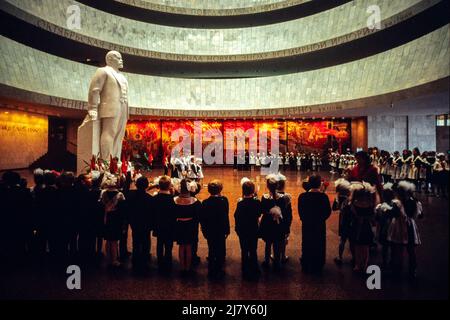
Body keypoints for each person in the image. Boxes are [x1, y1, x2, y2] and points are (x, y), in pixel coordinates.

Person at [84, 51, 129, 161]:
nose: (121, 60)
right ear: (109, 59)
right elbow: (94, 90)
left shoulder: (122, 76)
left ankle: (115, 160)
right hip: (110, 107)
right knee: (109, 132)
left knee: (119, 136)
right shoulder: (103, 71)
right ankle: (106, 162)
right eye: (118, 58)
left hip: (123, 107)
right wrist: (93, 108)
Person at [298, 175, 331, 273]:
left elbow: (301, 210)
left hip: (307, 224)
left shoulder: (303, 196)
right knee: (319, 242)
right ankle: (318, 263)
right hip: (319, 224)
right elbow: (328, 211)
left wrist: (304, 219)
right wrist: (321, 219)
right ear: (319, 184)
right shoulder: (323, 197)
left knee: (306, 242)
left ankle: (306, 262)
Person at [200, 180, 230, 279]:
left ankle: (212, 269)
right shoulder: (224, 200)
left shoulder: (205, 202)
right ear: (220, 189)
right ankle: (220, 269)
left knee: (211, 248)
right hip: (221, 230)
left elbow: (203, 219)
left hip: (210, 230)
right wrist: (227, 230)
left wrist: (204, 231)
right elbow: (226, 216)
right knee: (221, 249)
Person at [259, 175, 290, 271]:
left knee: (268, 243)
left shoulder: (264, 197)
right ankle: (277, 262)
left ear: (267, 186)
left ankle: (266, 260)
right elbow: (284, 211)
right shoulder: (282, 198)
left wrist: (269, 212)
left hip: (267, 223)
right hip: (278, 224)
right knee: (277, 243)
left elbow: (262, 210)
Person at [234, 179, 261, 280]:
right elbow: (259, 213)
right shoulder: (257, 202)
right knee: (253, 249)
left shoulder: (240, 203)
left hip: (243, 230)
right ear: (253, 191)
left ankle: (245, 269)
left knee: (244, 249)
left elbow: (236, 216)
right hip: (253, 229)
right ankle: (255, 268)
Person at [173, 179, 202, 275]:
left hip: (179, 225)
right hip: (190, 226)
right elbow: (198, 217)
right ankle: (188, 268)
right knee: (189, 247)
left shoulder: (174, 201)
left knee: (181, 246)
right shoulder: (195, 202)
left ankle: (182, 267)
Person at [126, 176, 154, 269]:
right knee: (146, 241)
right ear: (146, 186)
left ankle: (136, 258)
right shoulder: (150, 198)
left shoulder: (130, 195)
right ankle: (145, 258)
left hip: (134, 222)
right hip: (146, 224)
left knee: (136, 240)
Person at [348, 182, 376, 273]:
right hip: (367, 227)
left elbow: (351, 216)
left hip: (357, 227)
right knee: (365, 246)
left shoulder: (353, 205)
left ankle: (358, 264)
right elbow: (373, 217)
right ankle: (364, 263)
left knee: (358, 246)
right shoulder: (370, 205)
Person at [99, 174, 126, 268]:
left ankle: (108, 257)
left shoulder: (103, 193)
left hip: (106, 218)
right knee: (114, 241)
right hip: (115, 219)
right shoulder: (120, 195)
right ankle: (114, 260)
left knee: (108, 240)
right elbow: (122, 210)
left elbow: (101, 205)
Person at [153, 176, 176, 272]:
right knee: (168, 244)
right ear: (169, 186)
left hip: (158, 224)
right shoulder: (172, 199)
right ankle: (168, 261)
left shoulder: (155, 198)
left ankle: (159, 260)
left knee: (159, 243)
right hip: (169, 225)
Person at [375, 183, 399, 270]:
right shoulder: (396, 205)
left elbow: (377, 219)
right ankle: (392, 261)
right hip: (394, 227)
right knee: (393, 246)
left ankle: (385, 262)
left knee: (385, 246)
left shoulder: (380, 207)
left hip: (385, 228)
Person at [332, 178, 352, 266]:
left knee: (343, 240)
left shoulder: (339, 199)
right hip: (351, 220)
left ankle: (340, 257)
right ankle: (354, 257)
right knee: (352, 240)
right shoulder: (351, 199)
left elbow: (334, 208)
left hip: (343, 220)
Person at [275, 173, 292, 263]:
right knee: (284, 239)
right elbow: (289, 212)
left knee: (275, 239)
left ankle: (275, 255)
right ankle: (283, 255)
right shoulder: (287, 197)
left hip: (275, 221)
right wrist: (289, 222)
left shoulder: (272, 195)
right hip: (284, 221)